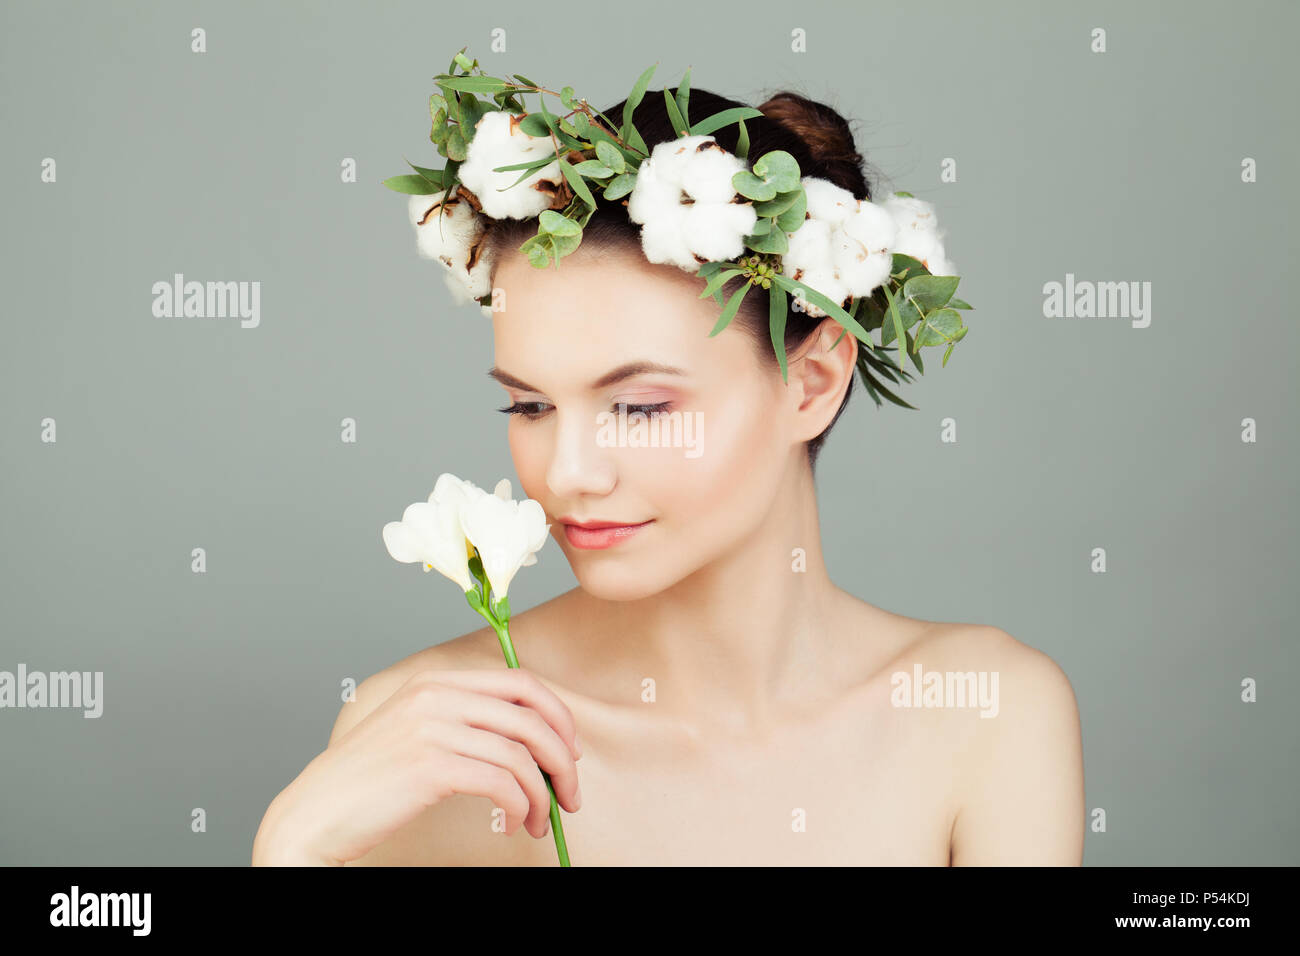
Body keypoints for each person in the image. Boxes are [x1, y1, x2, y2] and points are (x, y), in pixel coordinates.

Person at [251, 86, 1084, 866]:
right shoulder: (434, 742)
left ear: (813, 383)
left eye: (642, 408)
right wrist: (292, 848)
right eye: (531, 408)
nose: (569, 476)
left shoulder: (984, 712)